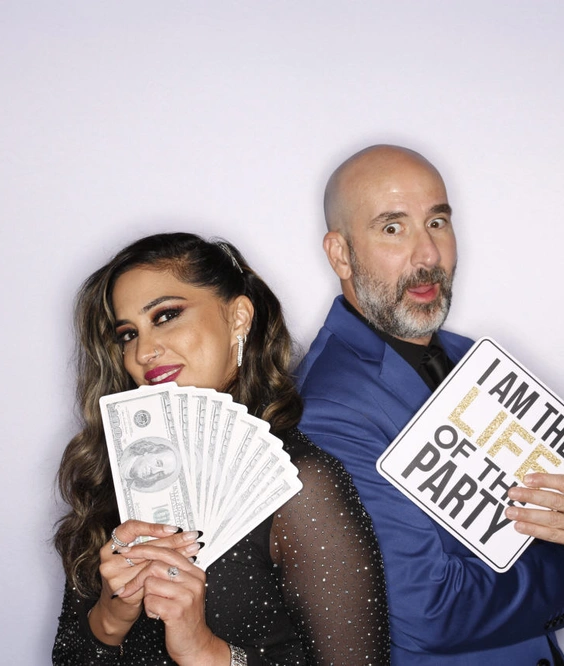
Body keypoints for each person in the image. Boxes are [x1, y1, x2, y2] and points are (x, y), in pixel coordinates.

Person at [296, 145, 564, 665]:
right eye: (393, 228)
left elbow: (537, 516)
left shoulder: (471, 356)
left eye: (437, 222)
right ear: (340, 254)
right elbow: (428, 609)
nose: (428, 255)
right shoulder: (327, 406)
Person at [53, 232, 390, 665]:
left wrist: (207, 652)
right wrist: (110, 618)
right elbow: (68, 656)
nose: (143, 351)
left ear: (238, 318)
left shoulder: (301, 485)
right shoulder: (121, 469)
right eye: (128, 334)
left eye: (166, 315)